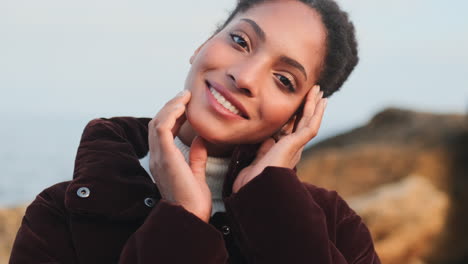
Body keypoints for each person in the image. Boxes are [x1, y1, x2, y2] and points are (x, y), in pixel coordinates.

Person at [10, 0, 380, 263]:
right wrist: (182, 219)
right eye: (240, 41)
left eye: (283, 79)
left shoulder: (336, 227)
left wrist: (274, 207)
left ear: (297, 118)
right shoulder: (62, 213)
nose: (245, 76)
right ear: (203, 44)